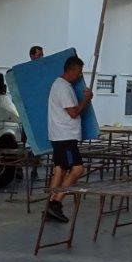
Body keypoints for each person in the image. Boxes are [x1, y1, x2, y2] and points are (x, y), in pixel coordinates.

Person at [45, 55, 93, 222]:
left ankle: (49, 205)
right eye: (79, 72)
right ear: (70, 70)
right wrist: (86, 100)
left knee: (60, 169)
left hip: (59, 135)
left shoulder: (60, 85)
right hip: (65, 136)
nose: (80, 75)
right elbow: (73, 112)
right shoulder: (63, 87)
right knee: (77, 169)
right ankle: (56, 203)